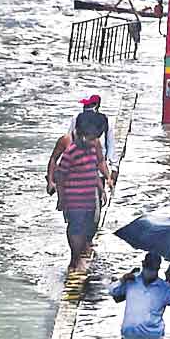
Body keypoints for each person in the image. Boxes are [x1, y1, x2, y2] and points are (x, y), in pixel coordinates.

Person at [50, 109, 108, 271]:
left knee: (86, 228)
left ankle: (79, 255)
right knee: (75, 228)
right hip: (74, 198)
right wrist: (61, 199)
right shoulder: (71, 151)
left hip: (89, 197)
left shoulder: (91, 148)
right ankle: (74, 260)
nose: (94, 140)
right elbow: (60, 176)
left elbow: (93, 169)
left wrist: (101, 188)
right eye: (92, 137)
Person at [110, 251, 170, 338]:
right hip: (128, 336)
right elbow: (112, 291)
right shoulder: (131, 280)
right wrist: (122, 279)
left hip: (152, 337)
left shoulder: (164, 287)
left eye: (153, 269)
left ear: (158, 269)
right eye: (148, 268)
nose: (150, 272)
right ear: (143, 265)